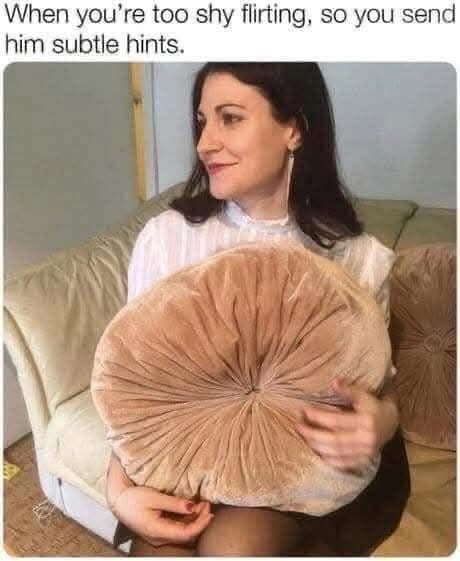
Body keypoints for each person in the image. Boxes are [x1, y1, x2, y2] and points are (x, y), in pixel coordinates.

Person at [106, 62, 410, 557]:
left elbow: (381, 385)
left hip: (299, 467)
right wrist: (119, 491)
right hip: (191, 452)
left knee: (238, 547)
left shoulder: (356, 256)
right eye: (202, 122)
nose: (205, 143)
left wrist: (384, 422)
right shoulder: (167, 239)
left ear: (294, 129)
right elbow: (136, 386)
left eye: (230, 118)